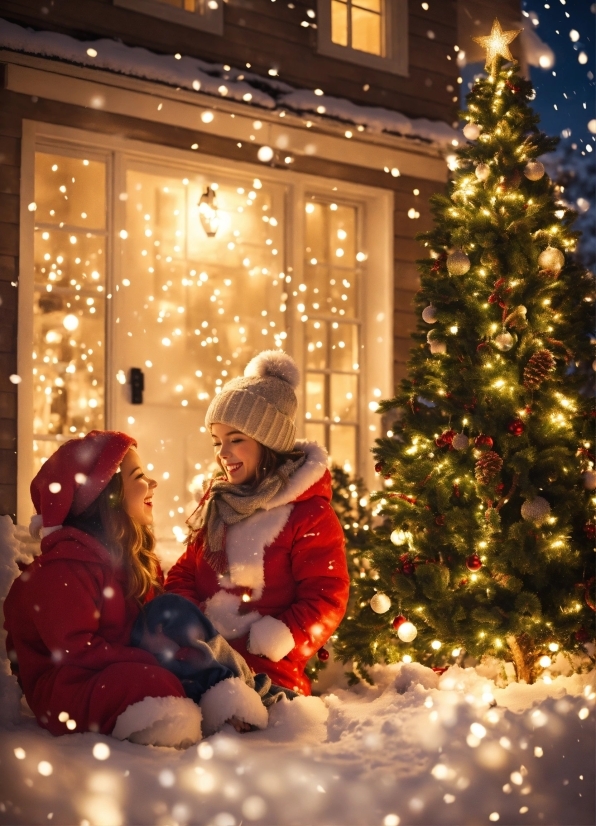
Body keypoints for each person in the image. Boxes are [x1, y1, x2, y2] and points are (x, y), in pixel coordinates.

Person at [3, 430, 266, 746]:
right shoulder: (62, 571)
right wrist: (147, 656)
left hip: (125, 661)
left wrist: (168, 645)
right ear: (108, 495)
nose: (152, 483)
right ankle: (187, 707)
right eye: (139, 476)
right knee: (153, 682)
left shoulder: (134, 559)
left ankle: (235, 690)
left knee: (173, 612)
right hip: (73, 685)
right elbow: (76, 652)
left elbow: (153, 625)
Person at [165, 350, 350, 695]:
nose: (223, 452)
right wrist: (191, 623)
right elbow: (184, 572)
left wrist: (279, 638)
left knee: (237, 709)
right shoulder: (218, 505)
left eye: (236, 440)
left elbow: (326, 595)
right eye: (218, 442)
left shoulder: (307, 513)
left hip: (269, 673)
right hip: (201, 661)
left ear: (268, 443)